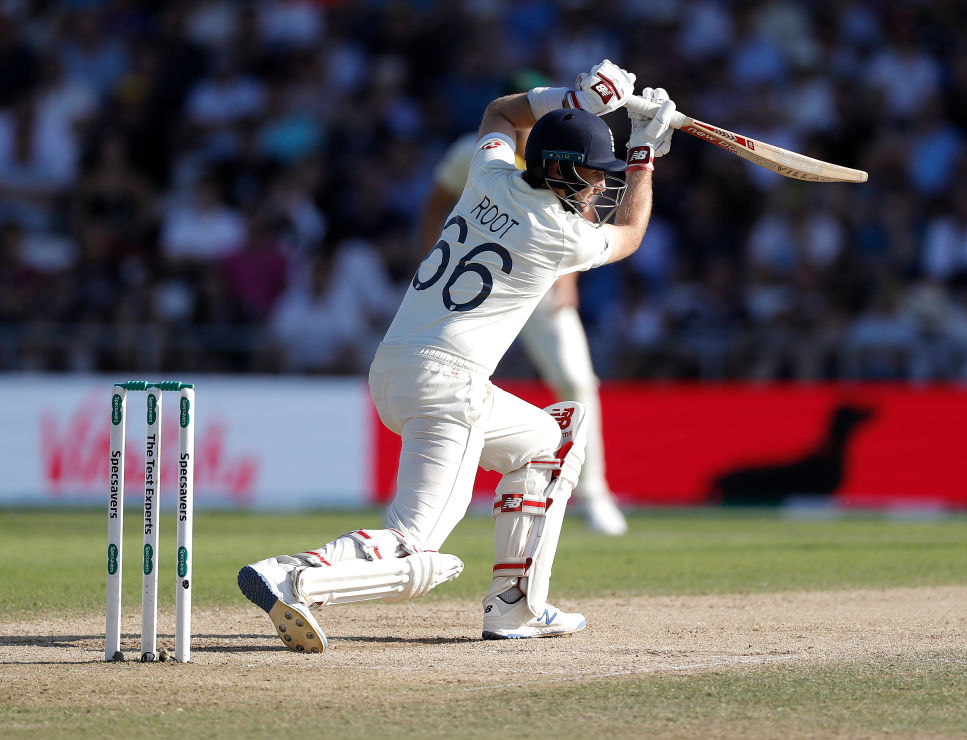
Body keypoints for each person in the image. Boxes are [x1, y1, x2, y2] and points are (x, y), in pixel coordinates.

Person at [238, 59, 675, 652]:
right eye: (597, 175)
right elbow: (630, 237)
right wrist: (645, 155)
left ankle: (516, 608)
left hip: (393, 367)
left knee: (556, 438)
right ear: (567, 173)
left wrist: (571, 96)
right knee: (417, 548)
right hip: (450, 386)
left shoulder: (489, 173)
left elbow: (501, 111)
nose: (602, 187)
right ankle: (291, 575)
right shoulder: (558, 230)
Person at [419, 114, 628, 536]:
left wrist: (567, 279)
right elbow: (436, 202)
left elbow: (582, 205)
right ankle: (442, 487)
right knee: (455, 375)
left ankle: (593, 492)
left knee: (577, 379)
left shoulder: (566, 152)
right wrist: (436, 257)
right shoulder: (476, 152)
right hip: (479, 278)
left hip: (542, 277)